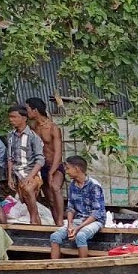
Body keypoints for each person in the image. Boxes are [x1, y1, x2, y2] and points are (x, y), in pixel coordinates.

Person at [49, 156, 105, 259]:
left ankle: (82, 268)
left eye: (68, 168)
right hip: (78, 220)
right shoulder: (72, 185)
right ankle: (54, 268)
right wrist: (70, 225)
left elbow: (97, 213)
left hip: (95, 221)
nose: (66, 171)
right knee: (55, 237)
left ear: (76, 169)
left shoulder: (94, 186)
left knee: (81, 236)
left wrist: (78, 228)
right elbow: (71, 208)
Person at [25, 97, 65, 225]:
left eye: (28, 109)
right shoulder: (32, 127)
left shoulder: (53, 128)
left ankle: (60, 223)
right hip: (40, 166)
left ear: (35, 110)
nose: (27, 113)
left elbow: (58, 152)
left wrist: (52, 171)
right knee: (50, 199)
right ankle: (53, 225)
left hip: (55, 165)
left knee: (55, 187)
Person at [6, 105, 45, 225]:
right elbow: (10, 158)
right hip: (17, 175)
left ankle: (35, 221)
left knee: (28, 190)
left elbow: (40, 160)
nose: (11, 120)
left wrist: (30, 177)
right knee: (27, 201)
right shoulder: (11, 136)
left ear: (24, 118)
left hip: (31, 174)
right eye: (10, 117)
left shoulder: (33, 137)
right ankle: (35, 223)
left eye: (14, 117)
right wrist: (10, 177)